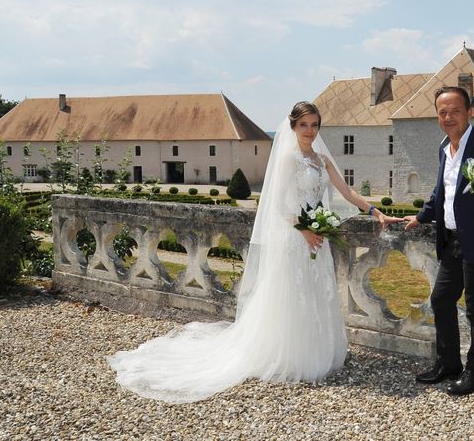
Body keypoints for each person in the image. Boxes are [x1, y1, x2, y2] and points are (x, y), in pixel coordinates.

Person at [108, 101, 403, 403]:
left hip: (318, 238)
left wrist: (376, 212)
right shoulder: (289, 159)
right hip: (296, 237)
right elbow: (276, 204)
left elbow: (346, 191)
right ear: (292, 127)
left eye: (315, 125)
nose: (310, 131)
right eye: (304, 125)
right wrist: (304, 229)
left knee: (316, 292)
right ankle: (289, 356)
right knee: (291, 293)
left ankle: (316, 352)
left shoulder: (322, 158)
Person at [404, 86, 474, 396]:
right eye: (442, 112)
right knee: (441, 299)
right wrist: (422, 217)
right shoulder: (444, 148)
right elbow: (442, 192)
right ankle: (448, 364)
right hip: (452, 240)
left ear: (469, 112)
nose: (448, 117)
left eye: (454, 111)